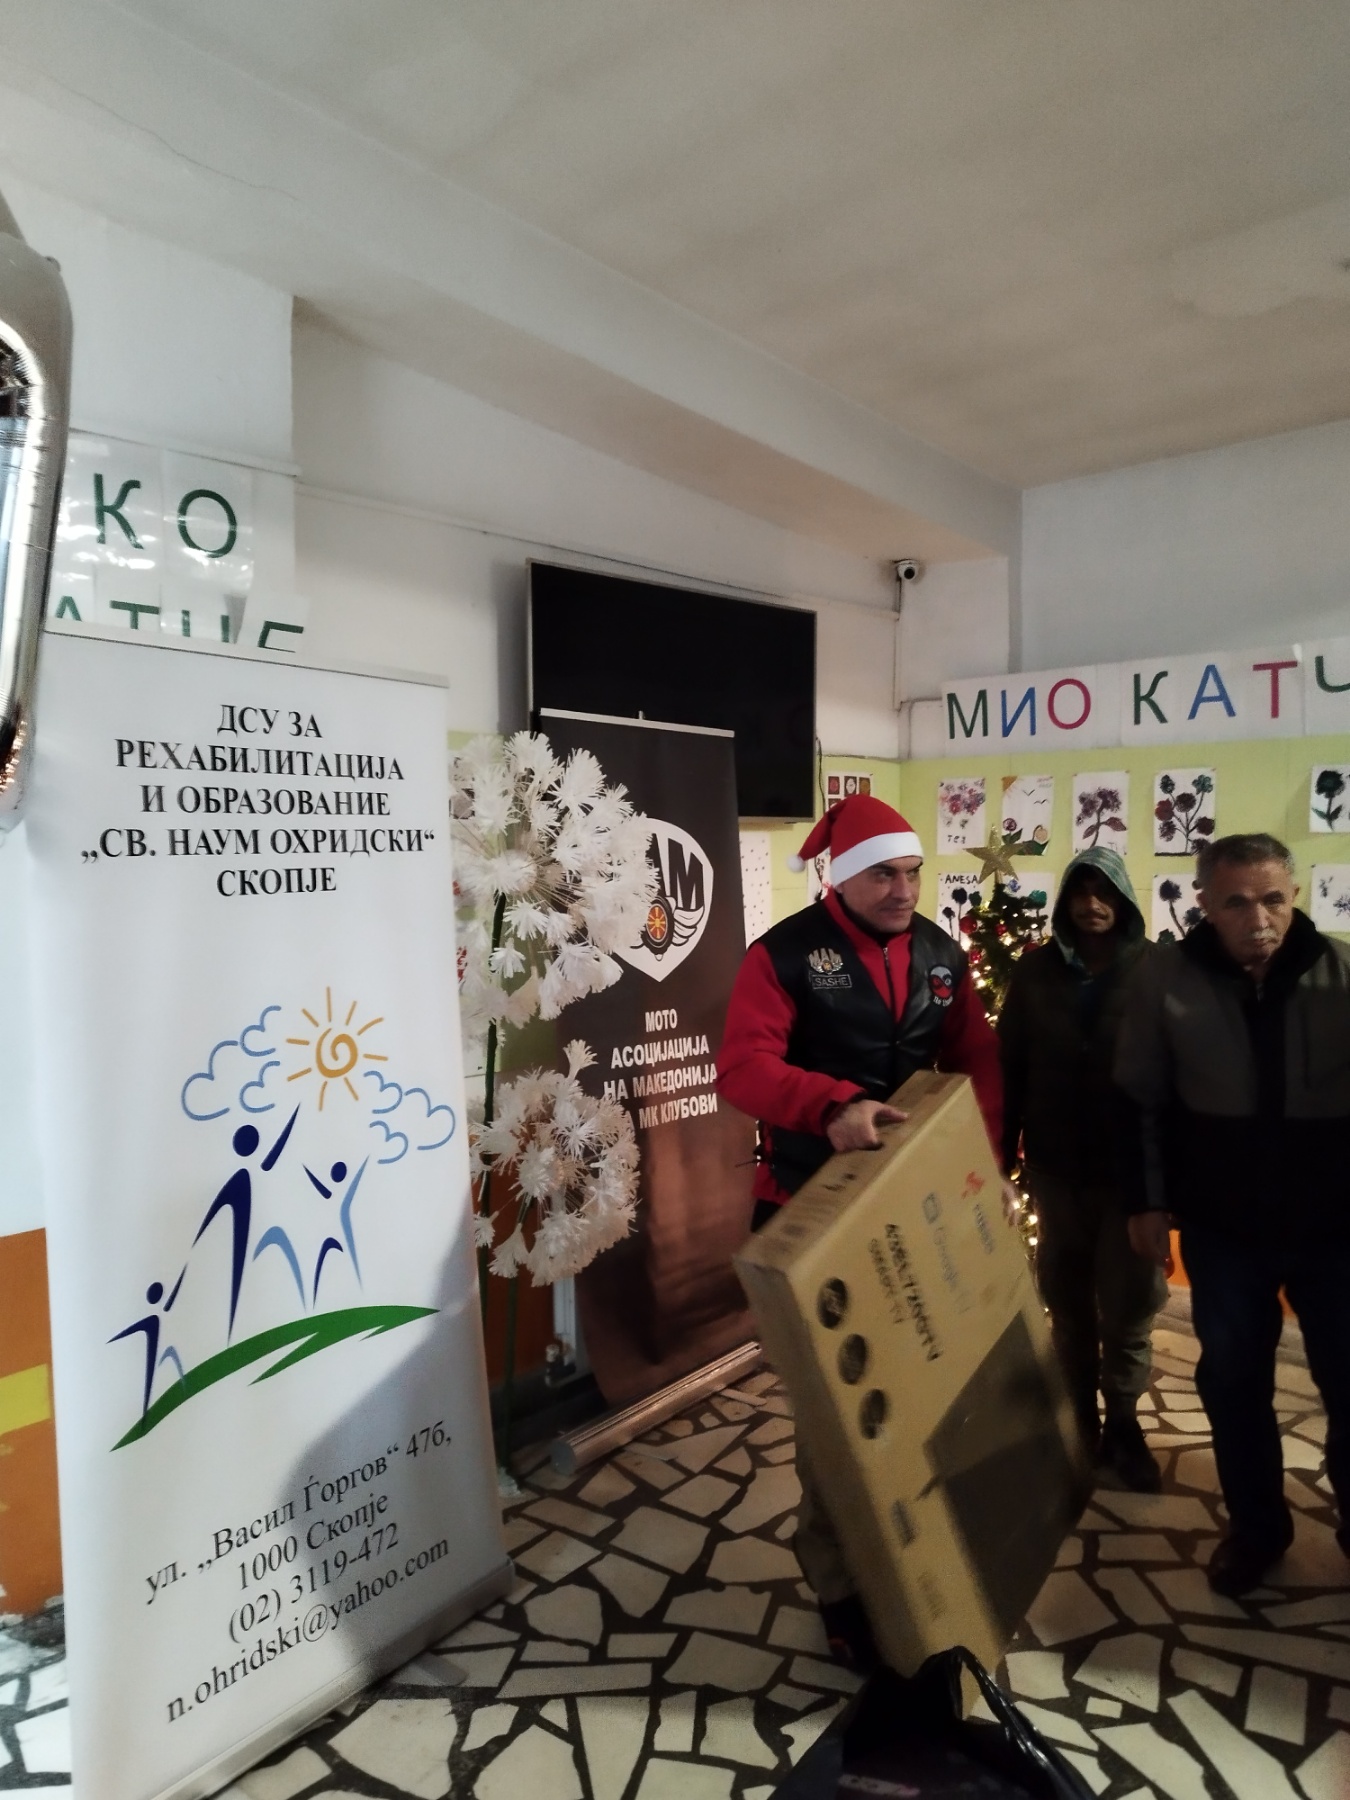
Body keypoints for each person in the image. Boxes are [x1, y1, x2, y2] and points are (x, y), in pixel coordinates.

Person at [716, 794, 1003, 1667]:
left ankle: (915, 1559)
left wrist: (984, 1162)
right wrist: (832, 1104)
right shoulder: (782, 956)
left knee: (913, 1396)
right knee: (834, 1414)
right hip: (807, 1203)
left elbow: (977, 1061)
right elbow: (743, 1068)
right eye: (884, 874)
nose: (904, 890)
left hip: (907, 1207)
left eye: (913, 873)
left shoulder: (942, 956)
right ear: (841, 878)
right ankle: (839, 1586)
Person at [1115, 833, 1350, 1595]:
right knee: (1235, 1383)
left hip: (1335, 1230)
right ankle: (1256, 1531)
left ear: (1295, 897)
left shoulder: (1340, 972)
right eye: (1238, 902)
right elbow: (1140, 1097)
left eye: (1274, 899)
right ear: (1206, 905)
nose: (1259, 918)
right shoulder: (1165, 979)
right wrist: (1147, 1200)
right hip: (1226, 1232)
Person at [998, 848, 1166, 1493]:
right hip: (1055, 1168)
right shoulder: (1035, 972)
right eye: (1080, 893)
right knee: (1067, 1303)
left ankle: (1124, 1424)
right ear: (1066, 901)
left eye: (1105, 893)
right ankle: (1079, 1420)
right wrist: (1002, 1160)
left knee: (1130, 1308)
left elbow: (1176, 1078)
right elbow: (1011, 1069)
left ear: (1123, 899)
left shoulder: (1157, 969)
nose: (1093, 906)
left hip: (1131, 1178)